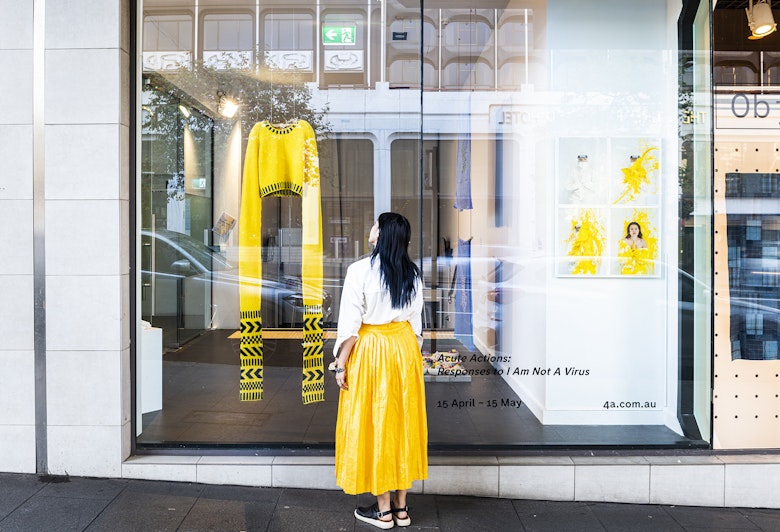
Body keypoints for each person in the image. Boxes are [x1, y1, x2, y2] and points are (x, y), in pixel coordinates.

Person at [333, 212, 428, 529]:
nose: (371, 229)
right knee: (403, 422)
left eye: (375, 225)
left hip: (372, 350)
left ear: (381, 235)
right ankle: (402, 508)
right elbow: (416, 324)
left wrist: (341, 363)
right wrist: (412, 356)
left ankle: (383, 510)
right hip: (404, 349)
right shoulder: (412, 274)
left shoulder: (360, 271)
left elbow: (350, 324)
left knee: (375, 423)